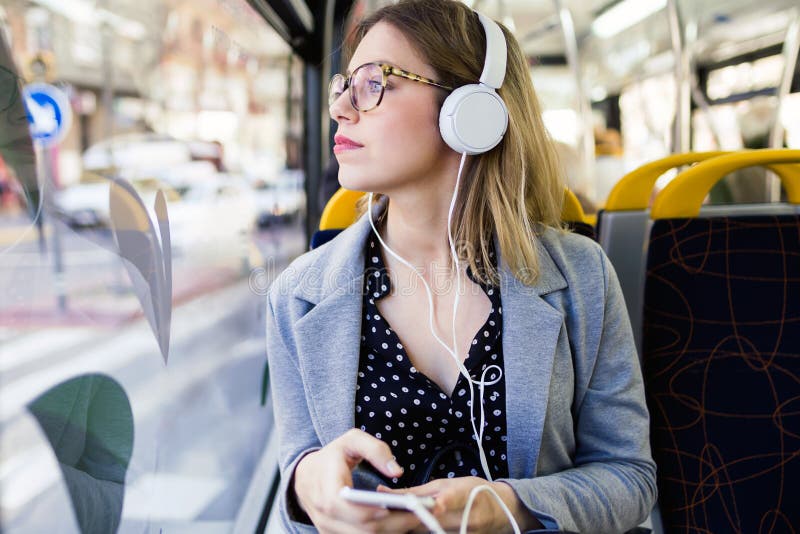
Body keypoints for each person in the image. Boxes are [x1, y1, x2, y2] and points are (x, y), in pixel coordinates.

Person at [266, 1, 656, 532]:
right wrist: (307, 485)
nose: (340, 108)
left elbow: (630, 479)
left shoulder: (583, 277)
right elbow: (298, 487)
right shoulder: (296, 294)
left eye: (373, 83)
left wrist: (509, 506)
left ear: (470, 110)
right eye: (343, 85)